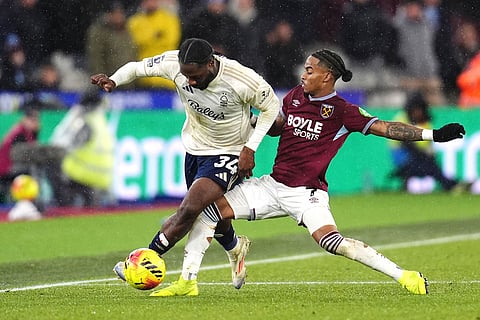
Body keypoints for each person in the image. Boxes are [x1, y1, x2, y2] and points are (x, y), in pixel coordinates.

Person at [152, 48, 466, 297]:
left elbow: (387, 127)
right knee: (208, 211)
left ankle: (404, 276)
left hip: (307, 195)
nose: (303, 74)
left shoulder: (343, 111)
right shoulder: (294, 97)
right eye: (304, 69)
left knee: (332, 242)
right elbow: (277, 128)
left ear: (327, 77)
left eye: (310, 70)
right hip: (273, 185)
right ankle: (188, 281)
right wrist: (247, 121)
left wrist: (433, 135)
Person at [90, 38, 280, 291]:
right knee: (210, 211)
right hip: (195, 149)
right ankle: (235, 247)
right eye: (185, 75)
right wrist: (114, 79)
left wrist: (250, 148)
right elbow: (137, 68)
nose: (189, 81)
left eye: (194, 76)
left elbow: (271, 107)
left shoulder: (241, 79)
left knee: (190, 208)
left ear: (211, 64)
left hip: (229, 152)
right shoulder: (172, 63)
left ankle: (141, 262)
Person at [390, 91, 466, 192]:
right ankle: (451, 185)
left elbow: (427, 143)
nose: (418, 113)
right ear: (411, 110)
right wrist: (425, 156)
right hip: (402, 156)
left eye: (420, 110)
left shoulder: (422, 121)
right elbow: (407, 144)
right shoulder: (401, 119)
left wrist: (429, 155)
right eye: (416, 110)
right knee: (430, 168)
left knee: (431, 166)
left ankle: (451, 184)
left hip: (414, 157)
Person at [126, 0, 181, 90]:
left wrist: (147, 40)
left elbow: (172, 40)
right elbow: (134, 42)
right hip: (144, 76)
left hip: (166, 76)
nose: (150, 3)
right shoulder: (134, 21)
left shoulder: (169, 19)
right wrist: (155, 36)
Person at [86, 1, 137, 90]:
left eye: (120, 13)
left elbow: (132, 53)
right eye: (115, 13)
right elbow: (96, 58)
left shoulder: (128, 30)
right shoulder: (99, 31)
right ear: (108, 14)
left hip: (129, 82)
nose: (118, 16)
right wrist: (102, 81)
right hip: (110, 81)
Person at [0, 103, 40, 203]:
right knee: (33, 170)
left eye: (36, 120)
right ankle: (31, 202)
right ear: (25, 119)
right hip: (7, 168)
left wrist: (36, 132)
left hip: (10, 166)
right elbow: (27, 154)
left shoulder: (26, 131)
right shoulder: (19, 133)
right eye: (33, 120)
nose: (36, 123)